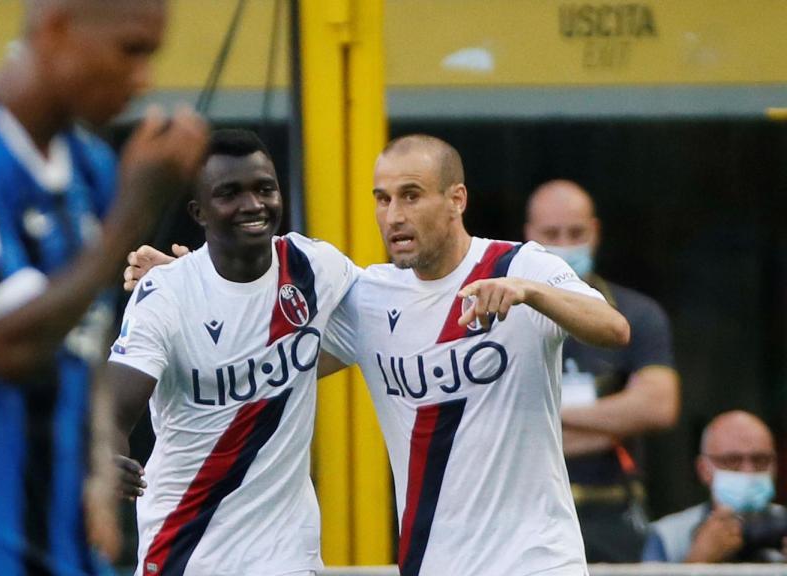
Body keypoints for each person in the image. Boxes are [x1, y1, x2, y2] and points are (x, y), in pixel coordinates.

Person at [124, 135, 630, 576]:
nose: (395, 216)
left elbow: (613, 327)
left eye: (411, 196)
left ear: (456, 199)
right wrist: (190, 279)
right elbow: (270, 354)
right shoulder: (369, 297)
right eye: (382, 199)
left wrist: (530, 293)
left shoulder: (519, 265)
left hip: (535, 558)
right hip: (431, 561)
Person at [0, 0, 209, 573]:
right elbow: (5, 345)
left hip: (62, 532)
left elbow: (82, 342)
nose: (144, 78)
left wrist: (98, 467)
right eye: (132, 50)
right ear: (57, 31)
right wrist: (131, 217)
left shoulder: (91, 167)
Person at [101, 129, 356, 576]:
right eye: (230, 193)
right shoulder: (167, 294)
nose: (253, 205)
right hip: (186, 548)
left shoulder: (315, 269)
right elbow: (115, 408)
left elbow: (391, 320)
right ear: (199, 211)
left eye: (264, 189)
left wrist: (521, 291)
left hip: (286, 554)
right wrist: (106, 455)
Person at [525, 179, 680, 562]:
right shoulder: (505, 314)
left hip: (614, 515)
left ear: (595, 232)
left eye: (575, 232)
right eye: (551, 234)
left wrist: (545, 419)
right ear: (529, 236)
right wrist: (614, 422)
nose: (564, 243)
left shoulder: (635, 314)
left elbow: (658, 406)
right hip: (528, 513)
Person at [643, 410, 787, 563]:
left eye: (760, 460)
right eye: (732, 461)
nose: (748, 471)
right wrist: (698, 561)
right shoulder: (669, 536)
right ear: (703, 470)